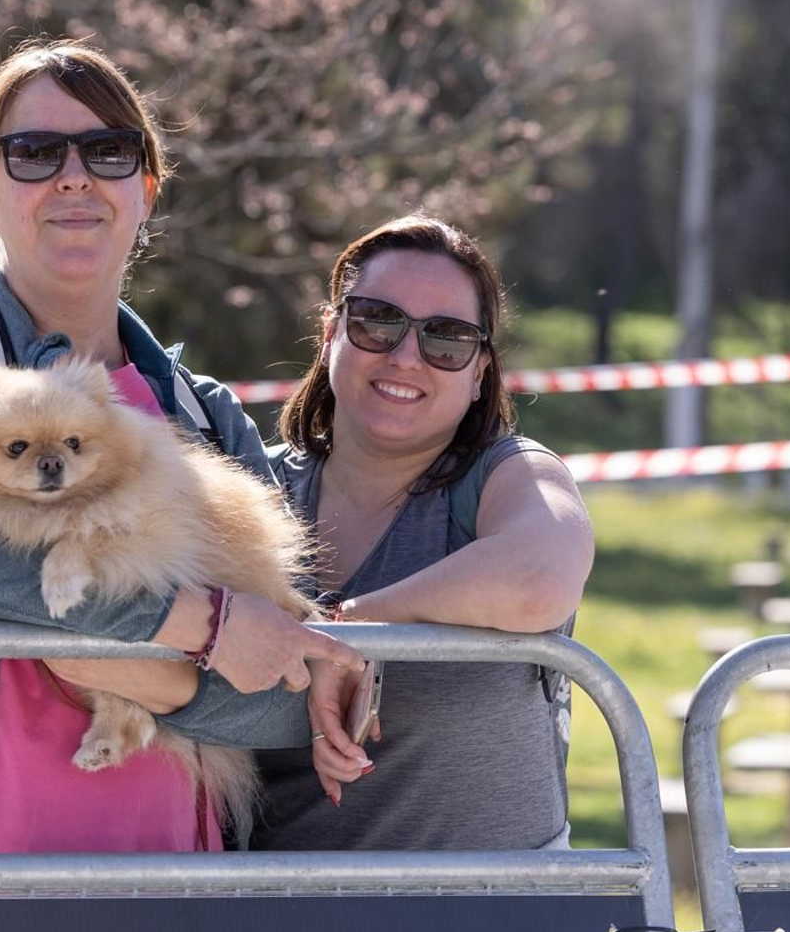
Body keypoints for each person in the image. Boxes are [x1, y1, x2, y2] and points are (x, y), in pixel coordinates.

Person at [0, 40, 358, 855]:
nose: (74, 177)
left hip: (168, 884)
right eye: (35, 153)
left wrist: (135, 666)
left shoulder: (203, 416)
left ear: (146, 191)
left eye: (109, 152)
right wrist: (197, 627)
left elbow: (282, 694)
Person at [251, 214, 595, 852]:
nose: (406, 356)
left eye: (448, 339)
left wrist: (350, 632)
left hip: (495, 931)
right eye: (377, 320)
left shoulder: (506, 475)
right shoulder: (252, 491)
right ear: (331, 333)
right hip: (282, 930)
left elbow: (540, 581)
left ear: (478, 373)